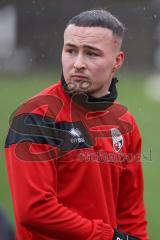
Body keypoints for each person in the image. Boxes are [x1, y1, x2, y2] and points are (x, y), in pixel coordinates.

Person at [5, 9, 148, 240]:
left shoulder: (125, 124)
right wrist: (109, 237)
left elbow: (130, 212)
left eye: (92, 54)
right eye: (71, 50)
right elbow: (34, 211)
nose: (78, 63)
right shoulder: (34, 118)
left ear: (117, 61)